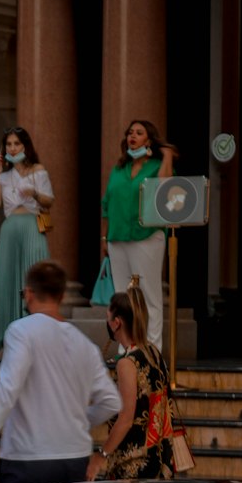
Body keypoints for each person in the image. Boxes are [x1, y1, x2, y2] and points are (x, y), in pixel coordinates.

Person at [0, 259, 120, 483]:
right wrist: (76, 420)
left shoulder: (21, 331)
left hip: (28, 457)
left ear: (28, 293)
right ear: (62, 295)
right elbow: (112, 402)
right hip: (73, 457)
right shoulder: (85, 345)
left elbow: (7, 390)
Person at [86, 278, 174, 481]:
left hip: (134, 463)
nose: (107, 323)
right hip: (159, 458)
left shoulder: (127, 363)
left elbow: (126, 419)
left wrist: (101, 456)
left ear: (117, 323)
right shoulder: (152, 351)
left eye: (108, 318)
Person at [101, 119, 176, 350]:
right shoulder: (119, 168)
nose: (132, 136)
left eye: (139, 132)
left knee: (148, 295)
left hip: (147, 236)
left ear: (149, 140)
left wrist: (167, 157)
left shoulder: (155, 166)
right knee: (122, 297)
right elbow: (107, 204)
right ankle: (126, 349)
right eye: (130, 132)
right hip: (117, 237)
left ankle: (151, 351)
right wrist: (105, 237)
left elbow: (165, 189)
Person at [0, 126, 54, 351]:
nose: (13, 148)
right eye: (8, 144)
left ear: (25, 145)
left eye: (16, 143)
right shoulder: (4, 176)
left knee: (33, 278)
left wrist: (33, 193)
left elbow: (49, 201)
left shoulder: (38, 170)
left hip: (32, 227)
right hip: (10, 230)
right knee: (9, 281)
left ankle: (38, 337)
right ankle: (12, 339)